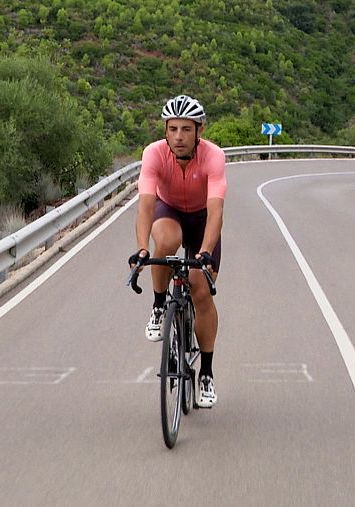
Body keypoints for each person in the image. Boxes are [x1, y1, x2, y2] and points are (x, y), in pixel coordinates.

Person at [128, 95, 227, 409]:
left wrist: (206, 252)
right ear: (165, 130)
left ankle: (207, 374)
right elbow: (145, 206)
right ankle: (159, 306)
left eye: (186, 129)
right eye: (173, 129)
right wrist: (142, 249)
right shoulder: (154, 154)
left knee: (200, 290)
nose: (179, 136)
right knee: (166, 242)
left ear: (200, 130)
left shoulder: (213, 156)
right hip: (168, 209)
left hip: (202, 220)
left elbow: (215, 212)